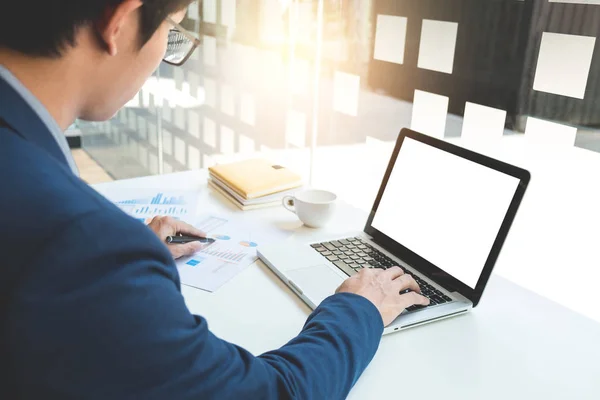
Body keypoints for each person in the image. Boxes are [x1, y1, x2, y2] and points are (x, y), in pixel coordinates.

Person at [0, 1, 429, 398]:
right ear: (120, 22)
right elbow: (272, 392)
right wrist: (359, 309)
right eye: (173, 31)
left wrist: (122, 272)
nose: (163, 55)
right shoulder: (79, 243)